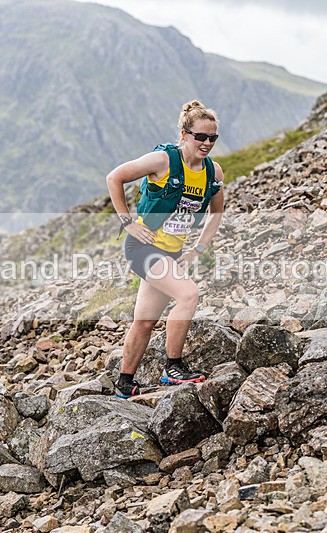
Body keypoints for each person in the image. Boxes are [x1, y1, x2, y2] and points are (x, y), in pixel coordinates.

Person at [106, 100, 225, 398]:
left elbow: (217, 213)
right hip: (143, 247)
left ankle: (125, 383)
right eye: (200, 136)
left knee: (145, 321)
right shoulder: (163, 160)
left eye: (212, 138)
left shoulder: (214, 172)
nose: (207, 143)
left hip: (171, 253)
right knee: (188, 294)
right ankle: (173, 367)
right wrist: (128, 222)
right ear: (185, 134)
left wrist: (198, 248)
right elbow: (114, 177)